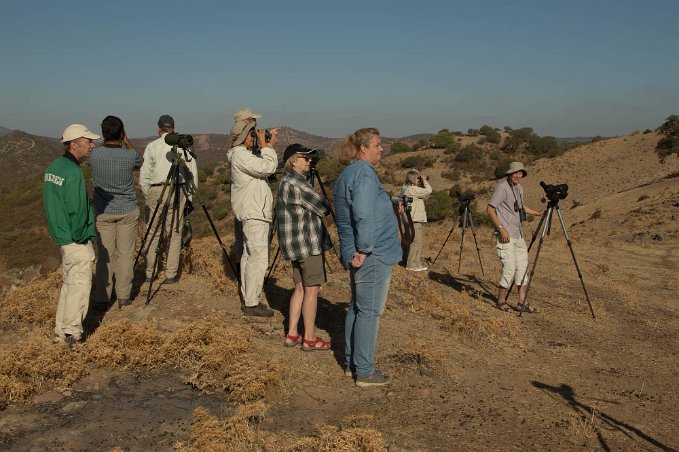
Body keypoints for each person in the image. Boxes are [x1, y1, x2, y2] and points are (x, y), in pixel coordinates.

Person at [333, 128, 401, 387]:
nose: (381, 149)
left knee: (358, 308)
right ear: (363, 148)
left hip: (362, 251)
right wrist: (363, 249)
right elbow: (362, 214)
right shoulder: (363, 174)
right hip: (372, 254)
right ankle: (365, 371)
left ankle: (353, 364)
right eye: (377, 145)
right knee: (369, 311)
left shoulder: (350, 173)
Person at [43, 124, 100, 346]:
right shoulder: (74, 172)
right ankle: (72, 334)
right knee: (79, 285)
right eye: (88, 142)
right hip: (75, 238)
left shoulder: (54, 167)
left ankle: (60, 331)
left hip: (61, 235)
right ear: (74, 144)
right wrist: (81, 236)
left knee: (68, 285)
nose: (92, 145)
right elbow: (76, 209)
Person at [277, 144, 332, 350]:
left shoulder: (285, 181)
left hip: (294, 245)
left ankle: (292, 333)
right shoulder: (297, 184)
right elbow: (324, 207)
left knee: (299, 288)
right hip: (307, 244)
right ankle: (309, 337)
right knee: (312, 289)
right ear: (293, 160)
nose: (310, 162)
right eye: (305, 158)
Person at [227, 111, 279, 317]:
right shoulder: (240, 155)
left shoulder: (242, 155)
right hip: (254, 212)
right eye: (251, 134)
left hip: (251, 211)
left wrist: (263, 146)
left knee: (249, 256)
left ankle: (249, 298)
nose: (254, 138)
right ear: (243, 135)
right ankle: (251, 303)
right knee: (257, 257)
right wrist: (268, 147)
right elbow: (267, 167)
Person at [88, 116, 143, 310]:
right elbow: (140, 160)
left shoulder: (94, 155)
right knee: (126, 255)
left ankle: (102, 296)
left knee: (105, 255)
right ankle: (124, 296)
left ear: (103, 133)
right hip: (127, 209)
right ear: (121, 133)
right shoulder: (129, 155)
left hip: (103, 211)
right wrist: (126, 141)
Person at [139, 115, 198, 284]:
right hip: (178, 190)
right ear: (173, 128)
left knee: (153, 231)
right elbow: (192, 173)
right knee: (175, 232)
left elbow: (145, 174)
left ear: (159, 129)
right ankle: (171, 274)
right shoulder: (183, 146)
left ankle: (150, 272)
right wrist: (190, 197)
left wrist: (148, 194)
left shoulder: (152, 146)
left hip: (157, 189)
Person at [486, 161, 544, 313]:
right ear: (510, 173)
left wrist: (537, 213)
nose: (518, 175)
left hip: (518, 234)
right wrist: (501, 229)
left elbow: (520, 206)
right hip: (506, 235)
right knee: (510, 269)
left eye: (521, 173)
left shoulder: (518, 188)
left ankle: (521, 302)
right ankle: (501, 301)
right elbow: (490, 209)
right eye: (516, 172)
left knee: (522, 268)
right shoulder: (502, 187)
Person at [400, 169, 432, 271]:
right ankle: (412, 264)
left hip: (408, 218)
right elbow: (428, 191)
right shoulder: (413, 189)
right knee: (416, 242)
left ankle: (408, 260)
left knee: (408, 240)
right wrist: (425, 181)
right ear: (413, 179)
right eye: (417, 178)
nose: (419, 180)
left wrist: (416, 175)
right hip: (415, 219)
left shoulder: (405, 187)